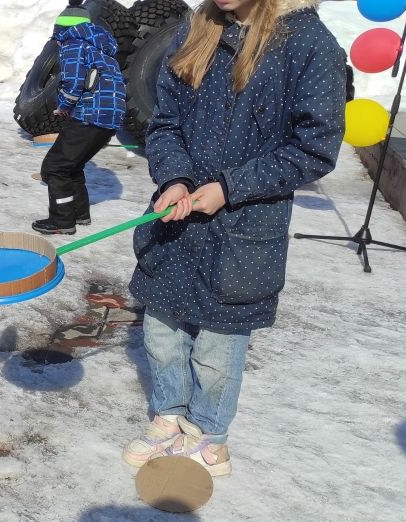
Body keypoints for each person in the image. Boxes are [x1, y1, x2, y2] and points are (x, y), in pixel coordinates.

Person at [124, 0, 345, 476]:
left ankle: (209, 436)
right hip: (177, 223)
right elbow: (164, 125)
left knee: (217, 349)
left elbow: (315, 148)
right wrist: (174, 178)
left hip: (242, 229)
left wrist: (230, 188)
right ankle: (169, 415)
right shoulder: (194, 30)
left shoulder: (308, 43)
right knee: (161, 332)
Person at [30, 1, 125, 235]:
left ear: (61, 29)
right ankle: (80, 214)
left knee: (55, 167)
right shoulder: (101, 48)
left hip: (90, 115)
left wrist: (63, 105)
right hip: (110, 117)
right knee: (73, 165)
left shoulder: (74, 44)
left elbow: (73, 82)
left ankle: (62, 222)